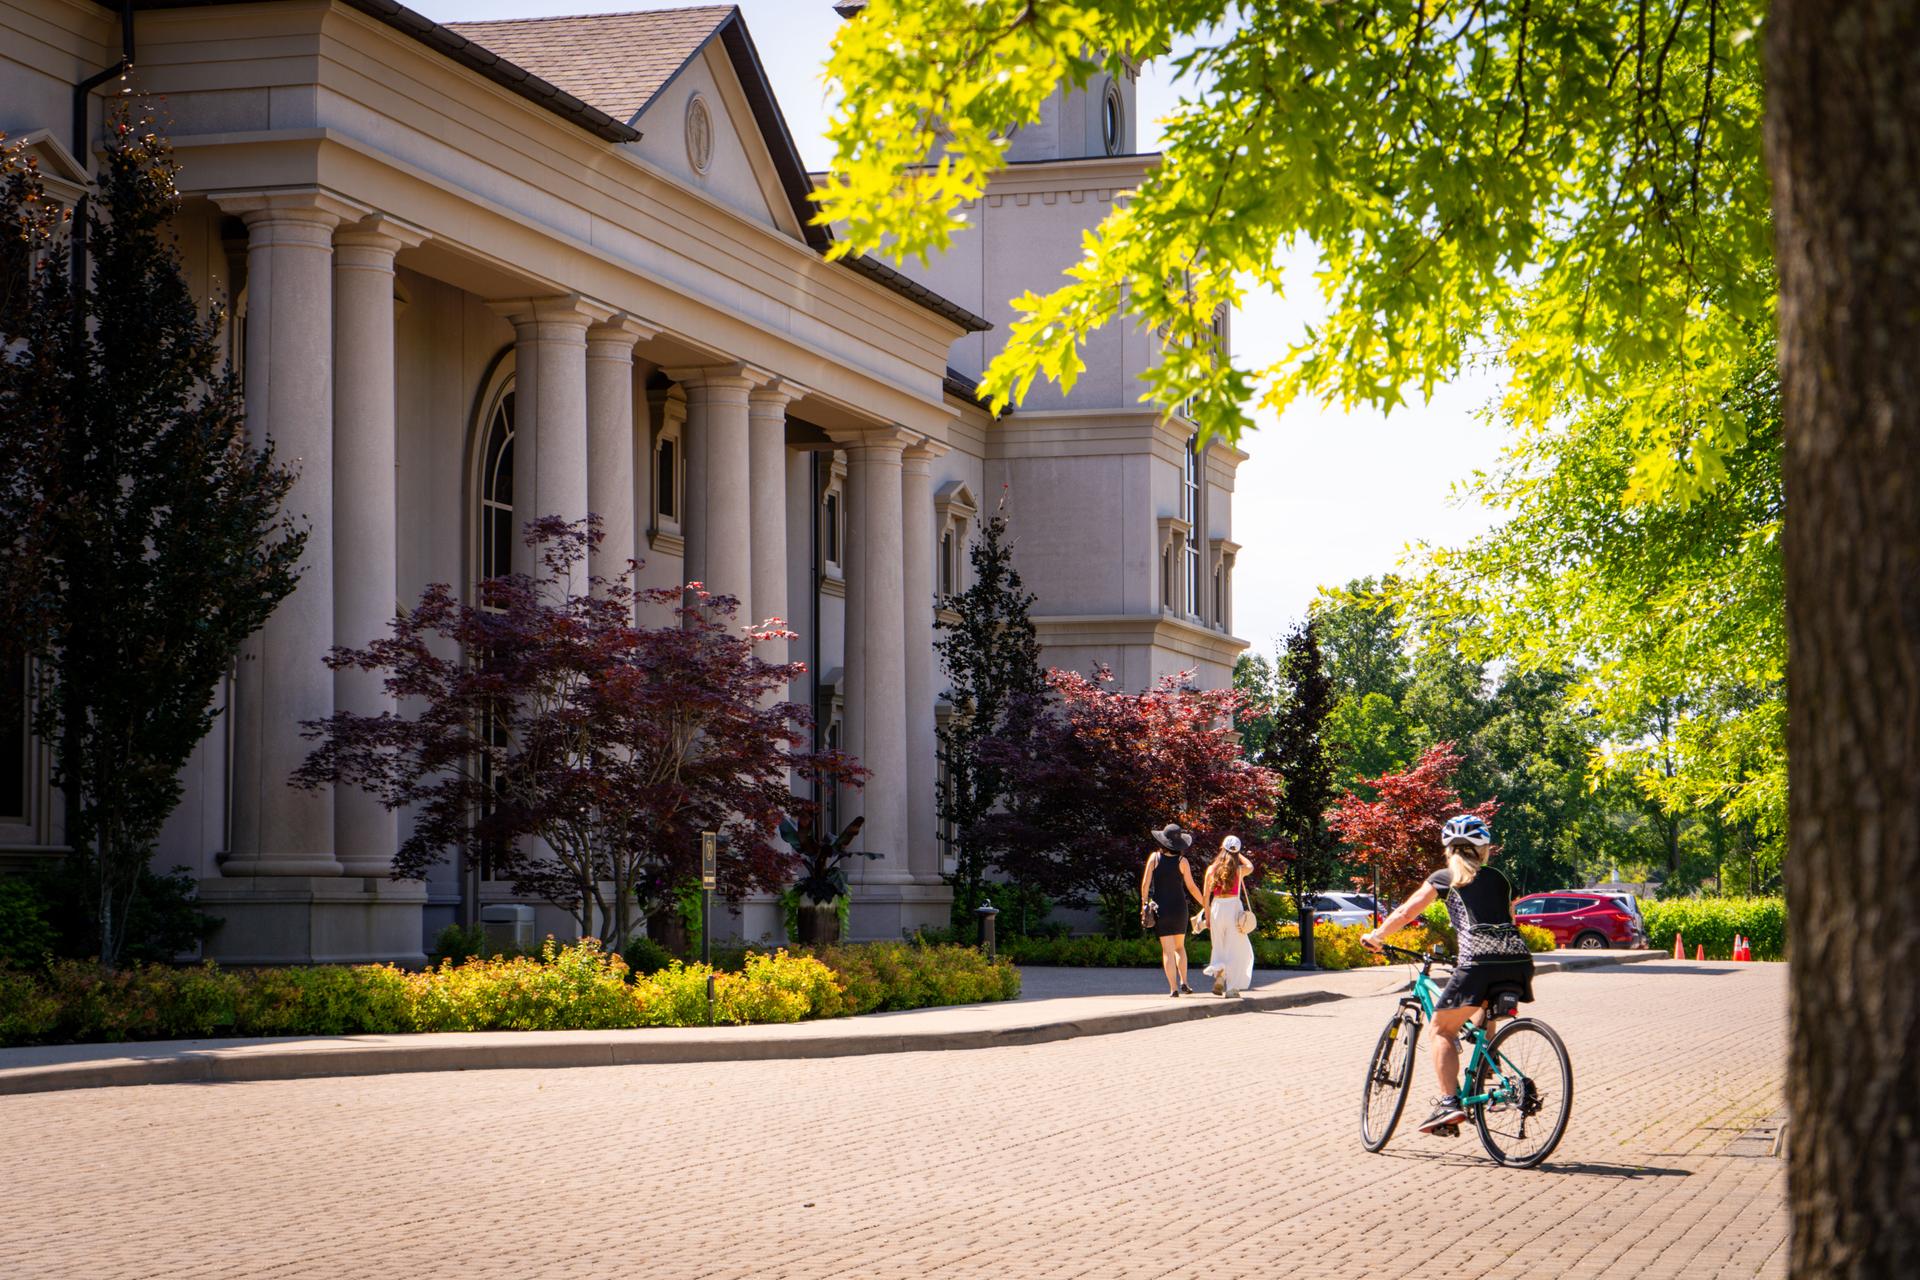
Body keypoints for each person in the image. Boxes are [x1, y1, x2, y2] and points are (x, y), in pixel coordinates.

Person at [1362, 814, 1535, 1135]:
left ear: (1448, 850)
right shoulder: (1499, 878)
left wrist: (1378, 936)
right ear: (1483, 850)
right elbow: (1507, 918)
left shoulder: (1445, 877)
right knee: (1483, 1014)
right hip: (1518, 962)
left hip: (1478, 962)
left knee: (1441, 1030)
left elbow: (1407, 911)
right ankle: (1490, 1084)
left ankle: (1448, 1103)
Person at [1141, 823, 1206, 996]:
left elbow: (1145, 884)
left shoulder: (1154, 858)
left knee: (1167, 951)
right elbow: (1191, 887)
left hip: (1161, 908)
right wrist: (1205, 904)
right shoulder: (1182, 861)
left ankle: (1173, 988)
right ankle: (1185, 982)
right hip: (1179, 908)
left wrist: (1144, 903)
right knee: (1180, 948)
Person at [1201, 836, 1256, 996]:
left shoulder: (1212, 869)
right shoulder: (1238, 870)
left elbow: (1206, 896)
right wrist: (1238, 854)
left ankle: (1219, 976)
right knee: (1235, 948)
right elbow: (1250, 866)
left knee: (1219, 946)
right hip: (1233, 908)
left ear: (1222, 848)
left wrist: (1208, 916)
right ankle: (1232, 988)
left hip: (1217, 907)